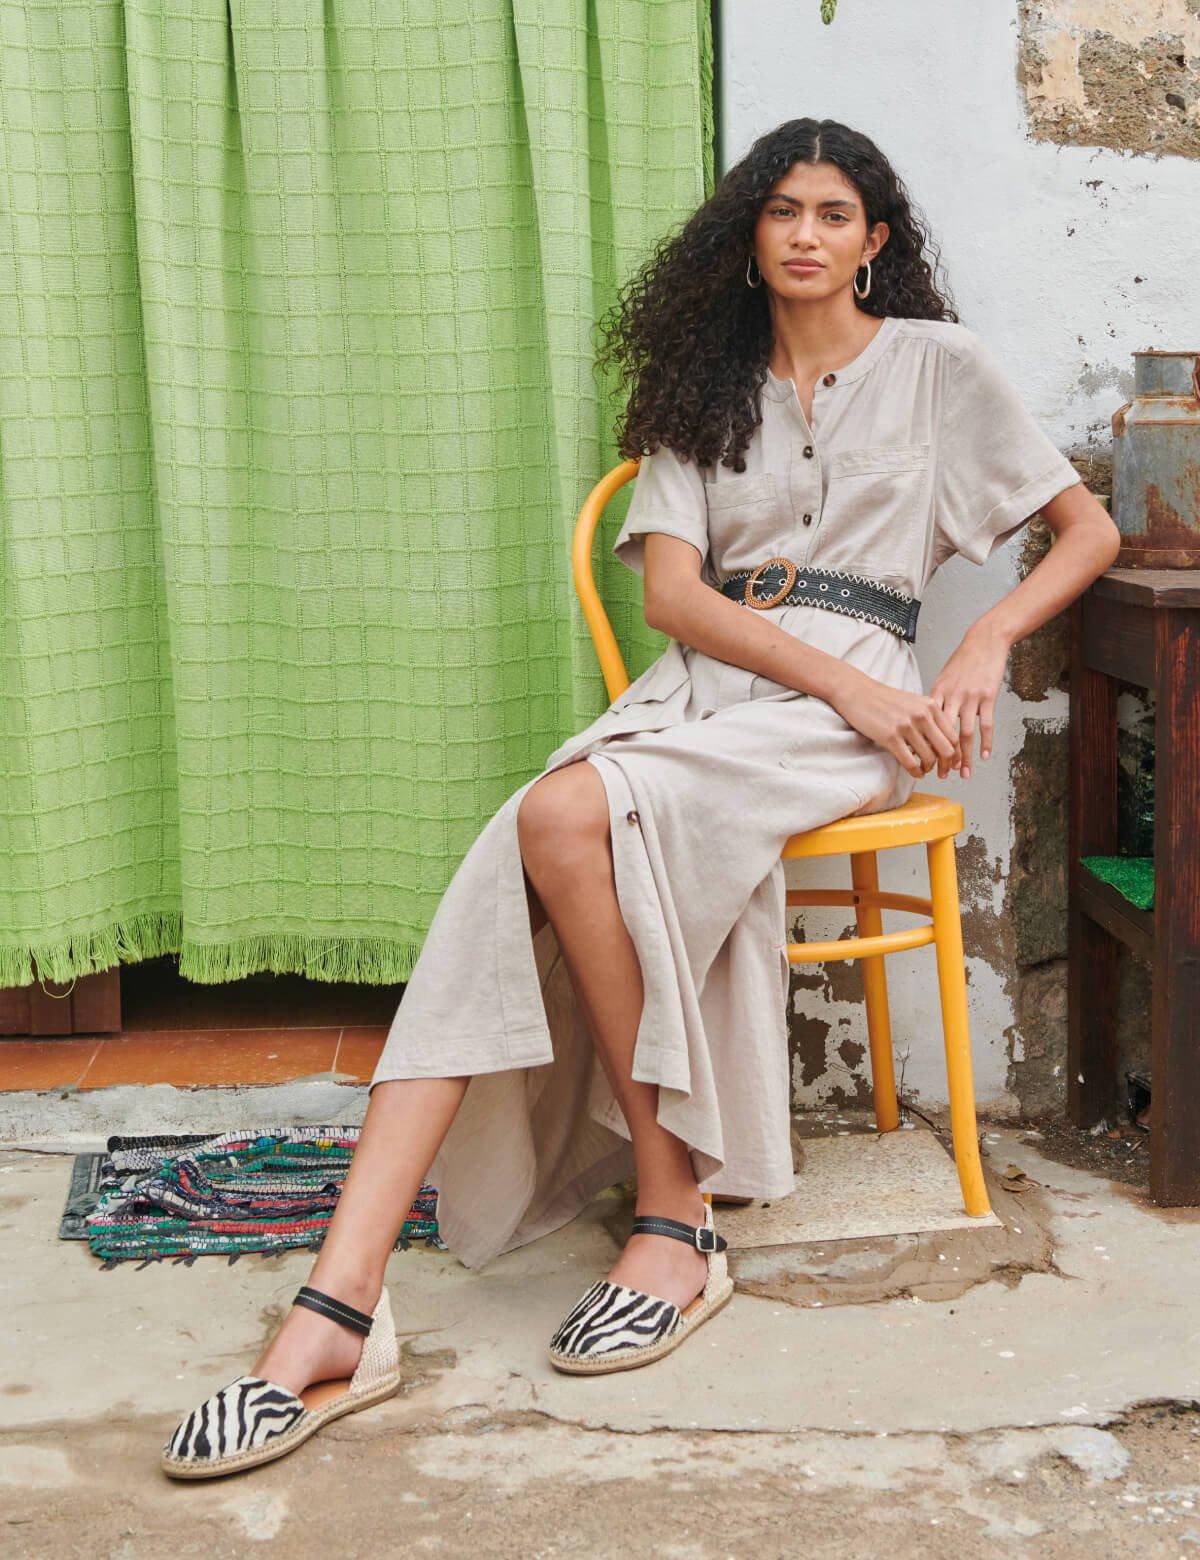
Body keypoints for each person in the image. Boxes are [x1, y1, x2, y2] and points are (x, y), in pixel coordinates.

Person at [161, 117, 1121, 1476]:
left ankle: (607, 1238)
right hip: (704, 689)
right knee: (538, 835)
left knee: (555, 819)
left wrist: (974, 644)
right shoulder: (702, 387)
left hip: (845, 700)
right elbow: (672, 595)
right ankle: (356, 1301)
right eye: (781, 209)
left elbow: (1085, 529)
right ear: (749, 236)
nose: (805, 233)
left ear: (876, 240)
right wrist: (838, 687)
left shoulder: (937, 368)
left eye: (834, 213)